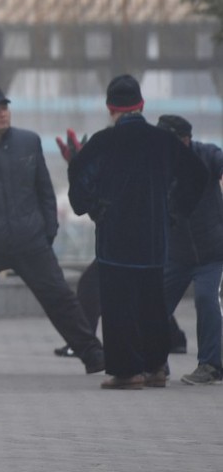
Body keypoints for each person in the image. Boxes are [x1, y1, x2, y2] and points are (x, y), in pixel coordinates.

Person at [0, 88, 105, 376]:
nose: (3, 113)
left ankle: (92, 354)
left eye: (5, 108)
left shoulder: (29, 142)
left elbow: (45, 191)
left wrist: (49, 229)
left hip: (30, 239)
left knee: (60, 298)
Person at [68, 75, 206, 389]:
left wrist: (91, 207)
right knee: (152, 302)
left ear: (109, 107)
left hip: (116, 237)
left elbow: (78, 175)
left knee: (119, 305)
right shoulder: (163, 140)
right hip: (153, 238)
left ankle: (128, 372)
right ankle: (157, 367)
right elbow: (197, 174)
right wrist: (174, 211)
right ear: (141, 105)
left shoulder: (103, 142)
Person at [52, 131, 187, 358]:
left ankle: (87, 344)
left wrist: (79, 165)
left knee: (98, 284)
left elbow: (94, 192)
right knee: (143, 286)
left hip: (130, 236)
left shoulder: (134, 157)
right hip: (137, 234)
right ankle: (173, 339)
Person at [156, 115, 223, 386]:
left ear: (186, 140)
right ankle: (155, 362)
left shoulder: (206, 156)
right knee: (155, 305)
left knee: (206, 299)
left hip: (213, 252)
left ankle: (211, 365)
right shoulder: (157, 166)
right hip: (176, 255)